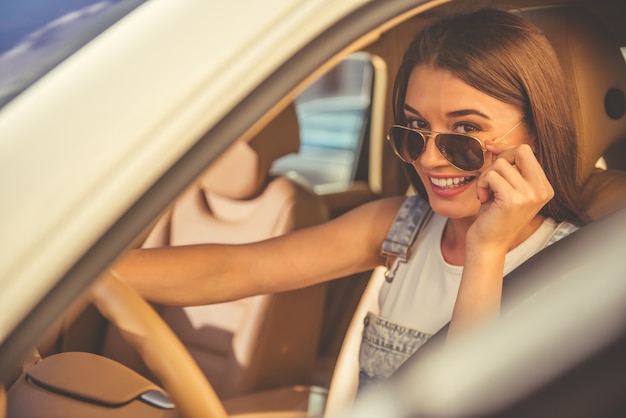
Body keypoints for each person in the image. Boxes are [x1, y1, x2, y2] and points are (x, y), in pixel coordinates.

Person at [110, 7, 587, 389]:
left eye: (465, 132)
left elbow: (473, 397)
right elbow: (238, 268)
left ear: (535, 132)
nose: (431, 159)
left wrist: (486, 251)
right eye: (415, 128)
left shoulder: (582, 269)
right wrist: (84, 276)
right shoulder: (403, 226)